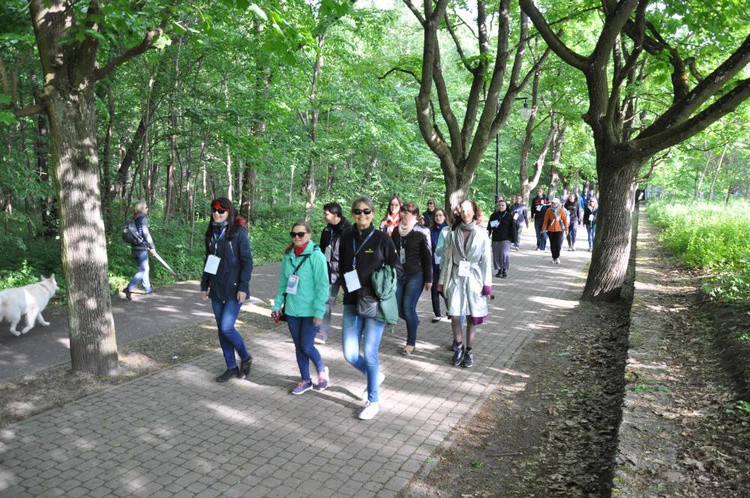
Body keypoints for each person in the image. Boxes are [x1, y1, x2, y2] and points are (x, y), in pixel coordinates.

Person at [339, 196, 403, 420]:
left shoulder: (382, 239)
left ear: (373, 214)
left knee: (369, 353)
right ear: (353, 214)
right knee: (348, 353)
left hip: (375, 302)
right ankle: (374, 376)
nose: (362, 215)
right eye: (357, 211)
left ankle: (373, 400)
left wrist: (381, 283)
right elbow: (343, 267)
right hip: (351, 300)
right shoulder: (346, 238)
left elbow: (397, 268)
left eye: (366, 211)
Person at [271, 221, 331, 395]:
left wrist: (320, 312)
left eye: (301, 234)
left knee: (306, 345)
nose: (297, 237)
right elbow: (283, 284)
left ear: (309, 235)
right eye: (294, 234)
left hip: (311, 311)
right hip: (292, 310)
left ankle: (321, 369)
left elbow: (322, 286)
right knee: (299, 346)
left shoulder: (316, 256)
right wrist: (277, 305)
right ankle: (306, 380)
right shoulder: (288, 256)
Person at [200, 197, 254, 382]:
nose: (217, 213)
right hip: (216, 288)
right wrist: (204, 284)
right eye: (214, 209)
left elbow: (247, 262)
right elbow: (209, 261)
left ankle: (245, 357)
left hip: (234, 289)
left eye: (221, 210)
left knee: (227, 327)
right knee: (221, 330)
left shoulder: (238, 233)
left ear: (229, 213)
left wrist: (243, 287)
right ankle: (231, 367)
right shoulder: (210, 234)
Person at [437, 199, 493, 369]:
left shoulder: (482, 233)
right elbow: (446, 259)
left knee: (471, 317)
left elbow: (486, 261)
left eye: (469, 210)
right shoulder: (452, 233)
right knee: (455, 314)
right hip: (455, 276)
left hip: (475, 279)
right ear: (459, 212)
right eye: (463, 210)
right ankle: (458, 347)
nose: (465, 213)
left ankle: (469, 350)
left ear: (474, 212)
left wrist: (487, 285)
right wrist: (441, 282)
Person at [391, 202, 432, 356]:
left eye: (407, 212)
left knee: (408, 307)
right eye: (402, 211)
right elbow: (392, 253)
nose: (403, 213)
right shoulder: (396, 231)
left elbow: (428, 256)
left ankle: (410, 343)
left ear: (415, 215)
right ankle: (413, 320)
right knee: (399, 308)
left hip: (417, 274)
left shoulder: (422, 231)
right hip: (400, 274)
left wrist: (429, 279)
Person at [316, 202, 353, 345]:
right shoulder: (326, 230)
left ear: (336, 215)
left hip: (347, 272)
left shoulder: (349, 230)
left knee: (353, 302)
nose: (324, 216)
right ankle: (321, 333)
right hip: (329, 272)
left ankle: (355, 333)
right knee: (326, 301)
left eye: (326, 214)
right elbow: (321, 251)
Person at [122, 200, 157, 301]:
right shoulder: (142, 218)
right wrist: (152, 247)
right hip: (141, 248)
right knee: (143, 269)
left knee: (145, 268)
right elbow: (146, 234)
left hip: (135, 247)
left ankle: (148, 289)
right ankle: (129, 288)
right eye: (146, 207)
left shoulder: (134, 217)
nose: (147, 208)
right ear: (142, 208)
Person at [487, 199, 516, 278]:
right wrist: (487, 236)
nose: (501, 207)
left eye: (502, 205)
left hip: (506, 238)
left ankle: (504, 269)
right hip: (496, 238)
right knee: (496, 254)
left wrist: (514, 239)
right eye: (499, 205)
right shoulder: (494, 215)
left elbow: (513, 228)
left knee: (504, 254)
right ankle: (499, 269)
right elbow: (489, 227)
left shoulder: (509, 215)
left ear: (506, 206)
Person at [429, 209, 449, 323]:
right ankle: (437, 313)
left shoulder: (448, 230)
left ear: (444, 217)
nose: (438, 217)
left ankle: (450, 309)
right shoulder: (430, 231)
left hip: (445, 264)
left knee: (444, 290)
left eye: (440, 215)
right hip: (433, 263)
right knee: (434, 289)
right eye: (436, 215)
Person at [542, 198, 569, 265]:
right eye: (553, 203)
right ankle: (554, 257)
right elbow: (546, 221)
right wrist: (544, 228)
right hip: (551, 230)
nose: (554, 204)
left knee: (558, 244)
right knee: (552, 244)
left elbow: (565, 221)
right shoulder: (549, 211)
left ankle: (557, 257)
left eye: (555, 203)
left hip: (559, 230)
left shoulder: (561, 211)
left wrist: (566, 229)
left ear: (558, 204)